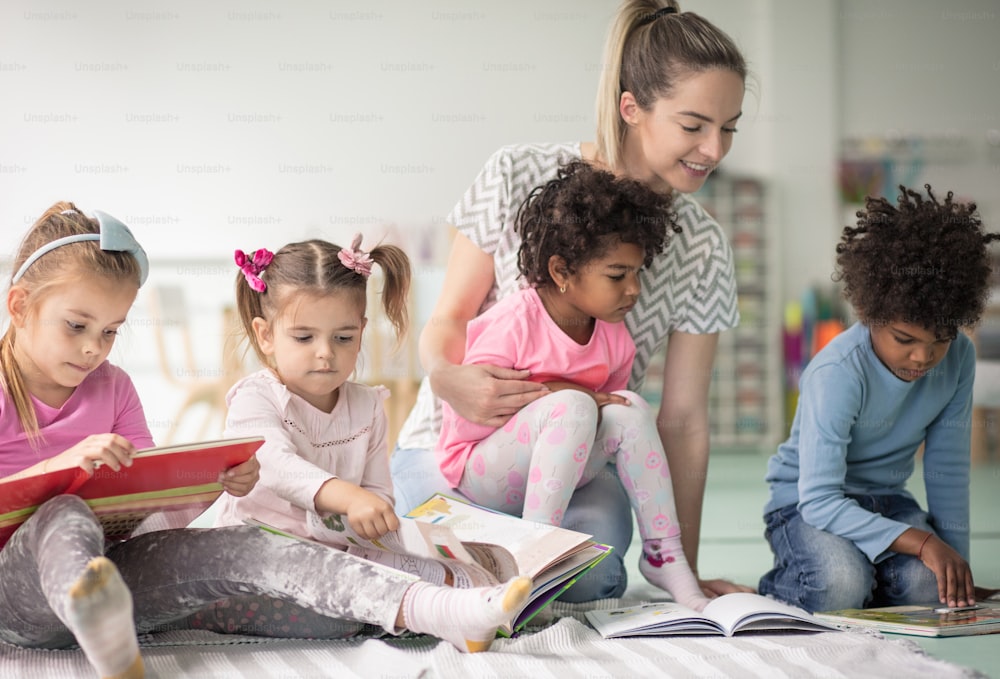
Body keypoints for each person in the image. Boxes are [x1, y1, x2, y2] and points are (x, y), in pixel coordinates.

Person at [0, 206, 529, 679]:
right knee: (64, 513)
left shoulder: (115, 387)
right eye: (77, 326)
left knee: (249, 546)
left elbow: (147, 510)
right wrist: (62, 470)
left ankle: (439, 612)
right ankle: (99, 626)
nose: (95, 348)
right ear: (20, 306)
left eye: (112, 331)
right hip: (21, 600)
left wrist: (209, 485)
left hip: (120, 579)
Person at [392, 0, 753, 600]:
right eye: (694, 126)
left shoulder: (704, 246)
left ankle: (517, 559)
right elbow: (448, 320)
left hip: (575, 465)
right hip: (454, 449)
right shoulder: (515, 174)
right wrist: (446, 377)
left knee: (596, 581)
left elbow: (685, 421)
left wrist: (680, 566)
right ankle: (481, 556)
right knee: (438, 573)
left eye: (730, 127)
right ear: (631, 107)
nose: (714, 150)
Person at [214, 237, 531, 646]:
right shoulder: (256, 397)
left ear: (362, 331)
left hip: (339, 546)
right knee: (336, 603)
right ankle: (438, 612)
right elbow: (274, 463)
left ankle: (478, 599)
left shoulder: (367, 405)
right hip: (262, 554)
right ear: (266, 335)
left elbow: (377, 491)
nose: (325, 354)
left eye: (343, 338)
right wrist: (349, 499)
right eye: (304, 338)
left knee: (408, 561)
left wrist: (378, 518)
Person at [436, 160, 708, 610]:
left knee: (631, 407)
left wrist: (595, 407)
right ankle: (534, 557)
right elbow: (482, 407)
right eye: (617, 275)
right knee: (576, 407)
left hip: (556, 471)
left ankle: (666, 553)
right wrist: (574, 395)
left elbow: (608, 419)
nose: (634, 290)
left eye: (638, 273)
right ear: (562, 272)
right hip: (479, 468)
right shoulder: (513, 323)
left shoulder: (615, 338)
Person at [758, 185, 1000, 613]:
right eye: (905, 339)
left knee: (930, 593)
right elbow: (819, 500)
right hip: (805, 505)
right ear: (871, 315)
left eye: (939, 340)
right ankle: (784, 583)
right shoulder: (837, 372)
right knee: (838, 586)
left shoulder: (959, 357)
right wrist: (923, 541)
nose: (923, 357)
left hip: (887, 500)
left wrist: (955, 567)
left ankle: (871, 574)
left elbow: (947, 470)